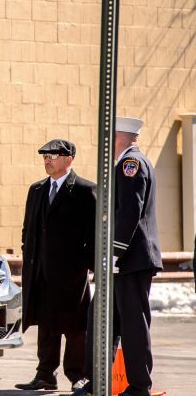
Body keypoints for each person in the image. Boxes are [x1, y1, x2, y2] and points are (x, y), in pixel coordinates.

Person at [70, 117, 163, 396]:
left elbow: (129, 212)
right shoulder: (125, 163)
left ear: (121, 136)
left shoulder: (129, 164)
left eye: (110, 135)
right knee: (102, 317)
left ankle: (138, 386)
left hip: (129, 260)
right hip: (122, 260)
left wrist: (114, 251)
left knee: (133, 323)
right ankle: (96, 379)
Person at [16, 139, 95, 392]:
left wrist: (88, 264)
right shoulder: (37, 189)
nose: (47, 160)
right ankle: (45, 374)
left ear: (69, 159)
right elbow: (28, 229)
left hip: (71, 272)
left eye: (53, 155)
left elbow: (94, 234)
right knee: (47, 324)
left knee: (75, 326)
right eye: (45, 156)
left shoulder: (85, 190)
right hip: (41, 270)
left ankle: (77, 375)